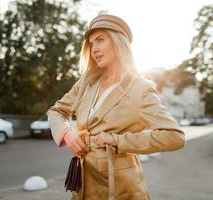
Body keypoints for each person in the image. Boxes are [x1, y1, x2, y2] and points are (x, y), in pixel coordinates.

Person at [47, 14, 185, 200]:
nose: (94, 49)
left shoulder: (140, 88)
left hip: (121, 190)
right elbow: (56, 111)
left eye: (100, 40)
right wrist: (67, 133)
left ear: (118, 42)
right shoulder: (86, 83)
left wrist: (117, 140)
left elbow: (175, 137)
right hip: (83, 187)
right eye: (91, 44)